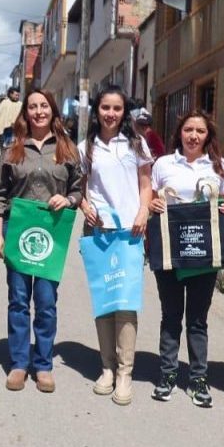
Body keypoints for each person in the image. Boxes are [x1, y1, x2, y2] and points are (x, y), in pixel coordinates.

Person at [0, 89, 82, 393]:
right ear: (25, 112)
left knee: (45, 303)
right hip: (18, 235)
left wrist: (67, 198)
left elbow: (79, 190)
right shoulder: (13, 148)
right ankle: (18, 363)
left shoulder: (67, 148)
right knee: (18, 301)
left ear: (53, 111)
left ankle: (42, 364)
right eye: (33, 107)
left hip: (50, 238)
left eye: (44, 106)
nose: (39, 111)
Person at [149, 110, 224, 408]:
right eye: (188, 129)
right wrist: (153, 202)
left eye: (200, 130)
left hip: (203, 253)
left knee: (198, 319)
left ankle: (198, 378)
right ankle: (168, 374)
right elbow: (147, 196)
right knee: (171, 315)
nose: (193, 135)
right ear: (180, 132)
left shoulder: (219, 166)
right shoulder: (163, 164)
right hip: (171, 250)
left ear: (208, 135)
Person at [78, 87, 153, 404]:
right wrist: (84, 206)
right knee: (104, 297)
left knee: (125, 300)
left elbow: (146, 184)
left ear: (125, 112)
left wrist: (143, 211)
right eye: (105, 107)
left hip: (129, 232)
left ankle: (125, 372)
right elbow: (80, 188)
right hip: (98, 230)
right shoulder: (86, 147)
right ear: (97, 111)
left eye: (117, 108)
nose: (111, 113)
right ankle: (107, 368)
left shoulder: (136, 143)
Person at [0, 87, 22, 151]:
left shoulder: (20, 104)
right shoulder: (5, 103)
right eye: (16, 95)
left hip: (16, 130)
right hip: (4, 129)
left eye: (18, 95)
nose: (17, 97)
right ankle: (3, 158)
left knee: (14, 148)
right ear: (11, 94)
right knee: (4, 148)